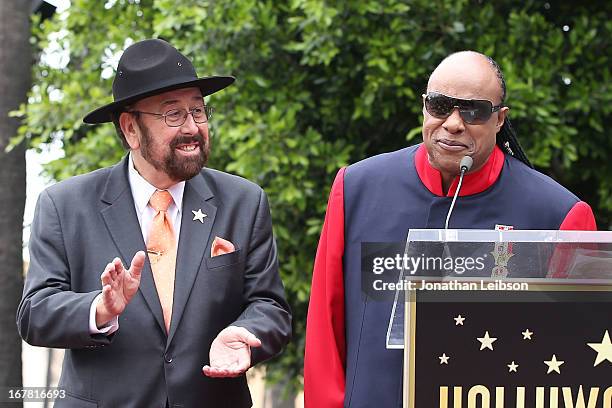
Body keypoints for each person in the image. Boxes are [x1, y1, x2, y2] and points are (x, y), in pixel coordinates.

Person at [304, 51, 596, 407]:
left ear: (500, 119)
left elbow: (571, 364)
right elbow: (325, 325)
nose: (454, 123)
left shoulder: (560, 215)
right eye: (440, 105)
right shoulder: (357, 187)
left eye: (473, 110)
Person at [17, 38, 291, 408]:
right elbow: (35, 313)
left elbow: (270, 306)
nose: (193, 127)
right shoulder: (64, 205)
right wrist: (100, 309)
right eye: (173, 114)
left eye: (198, 111)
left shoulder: (244, 201)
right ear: (130, 129)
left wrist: (244, 332)